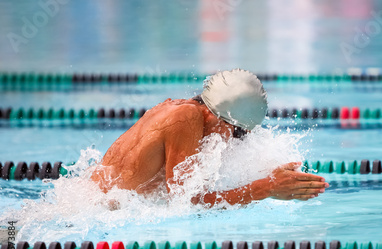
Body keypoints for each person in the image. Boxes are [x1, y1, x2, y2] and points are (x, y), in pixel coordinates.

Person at [91, 69, 329, 206]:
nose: (233, 142)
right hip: (95, 214)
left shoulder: (178, 110)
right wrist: (267, 188)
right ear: (222, 118)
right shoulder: (186, 118)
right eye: (238, 133)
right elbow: (185, 204)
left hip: (93, 204)